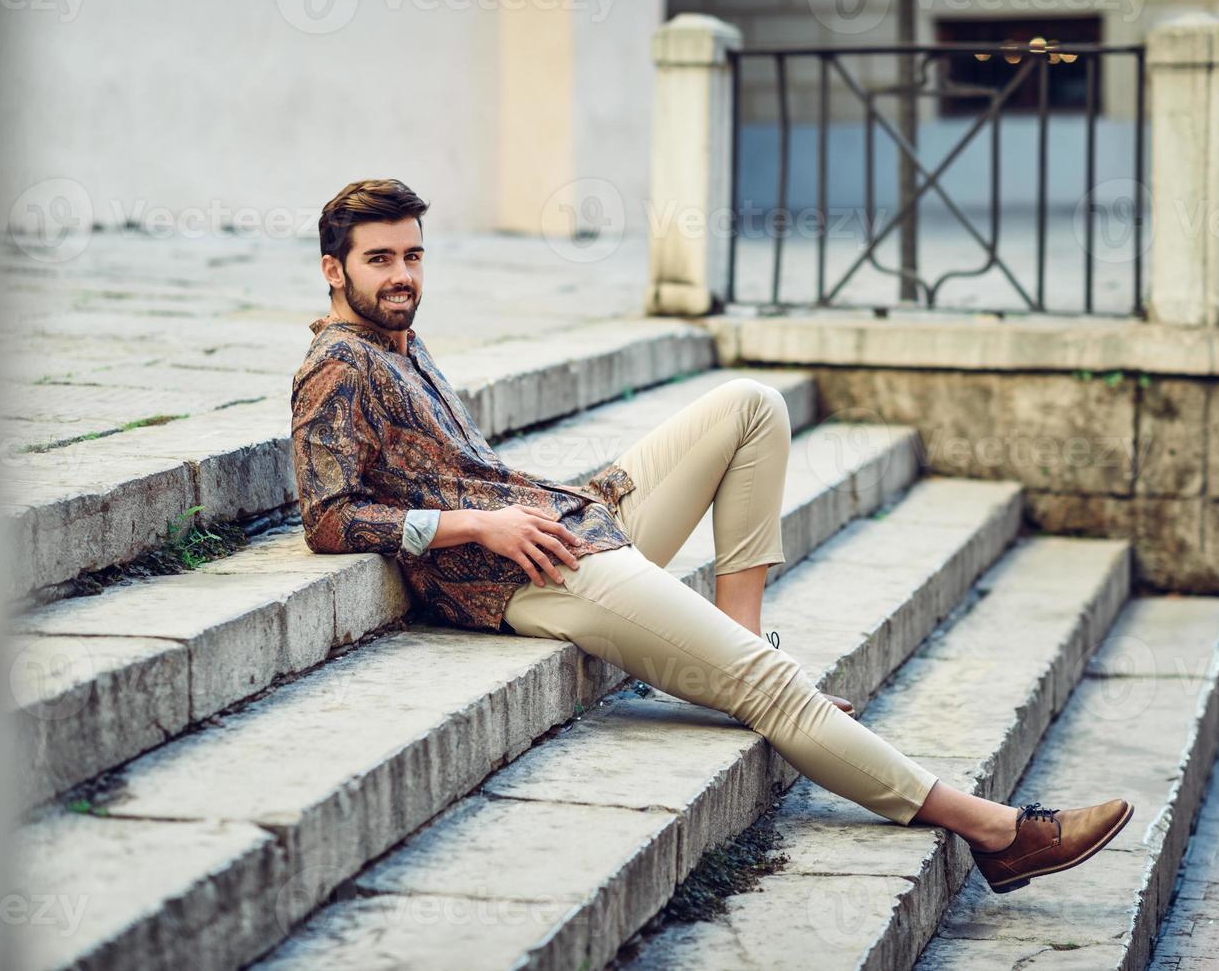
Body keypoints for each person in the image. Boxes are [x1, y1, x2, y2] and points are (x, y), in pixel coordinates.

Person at [290, 178, 1133, 894]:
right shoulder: (338, 364)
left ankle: (735, 641)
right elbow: (327, 517)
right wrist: (478, 524)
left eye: (412, 255)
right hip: (523, 574)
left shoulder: (402, 338)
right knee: (770, 688)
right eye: (379, 260)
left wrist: (533, 505)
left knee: (748, 406)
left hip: (559, 521)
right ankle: (998, 833)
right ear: (335, 270)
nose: (402, 275)